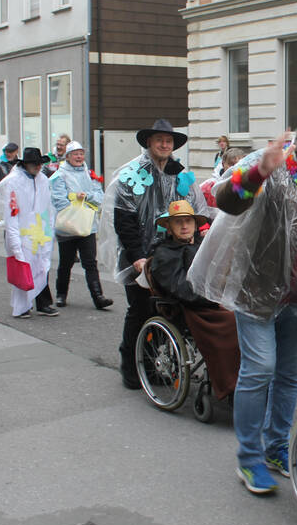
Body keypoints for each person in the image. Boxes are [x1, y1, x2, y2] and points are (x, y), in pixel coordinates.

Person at [188, 110, 297, 496]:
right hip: (259, 290)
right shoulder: (275, 174)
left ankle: (276, 448)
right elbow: (226, 200)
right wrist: (258, 171)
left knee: (287, 376)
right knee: (259, 369)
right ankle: (249, 457)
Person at [102, 119, 210, 390]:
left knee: (169, 311)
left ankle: (152, 366)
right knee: (139, 311)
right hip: (140, 255)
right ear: (149, 142)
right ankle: (130, 365)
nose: (164, 144)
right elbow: (124, 220)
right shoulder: (132, 174)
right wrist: (137, 255)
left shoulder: (180, 174)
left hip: (172, 254)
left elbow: (195, 210)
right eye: (159, 140)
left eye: (169, 141)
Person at [149, 200, 240, 400]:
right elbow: (180, 288)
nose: (184, 226)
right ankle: (231, 387)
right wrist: (213, 298)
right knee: (233, 325)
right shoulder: (164, 254)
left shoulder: (203, 246)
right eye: (178, 222)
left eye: (188, 221)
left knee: (251, 319)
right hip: (189, 307)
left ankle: (251, 384)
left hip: (212, 300)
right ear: (170, 227)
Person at [0, 147, 58, 318]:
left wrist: (49, 228)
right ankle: (22, 305)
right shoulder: (14, 181)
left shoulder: (43, 180)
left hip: (38, 230)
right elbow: (11, 211)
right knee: (24, 266)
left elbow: (48, 206)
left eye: (39, 164)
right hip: (21, 230)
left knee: (42, 266)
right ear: (26, 164)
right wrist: (14, 238)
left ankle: (43, 303)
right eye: (33, 164)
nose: (37, 167)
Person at [49, 141, 112, 310]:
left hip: (87, 226)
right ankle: (61, 295)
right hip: (68, 225)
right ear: (68, 156)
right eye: (75, 154)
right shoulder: (59, 175)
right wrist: (75, 200)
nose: (79, 157)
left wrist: (87, 197)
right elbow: (57, 199)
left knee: (90, 262)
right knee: (66, 263)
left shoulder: (90, 174)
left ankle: (98, 296)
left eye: (81, 153)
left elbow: (100, 197)